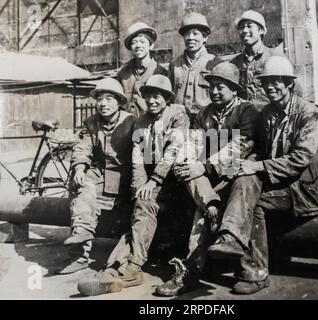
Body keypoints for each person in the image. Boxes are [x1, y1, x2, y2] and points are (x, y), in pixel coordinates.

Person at [77, 75, 191, 296]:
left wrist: (154, 180)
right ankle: (117, 269)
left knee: (146, 207)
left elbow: (173, 151)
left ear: (167, 98)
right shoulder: (141, 121)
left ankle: (127, 267)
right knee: (141, 205)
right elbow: (138, 157)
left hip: (176, 180)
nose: (152, 101)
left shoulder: (178, 114)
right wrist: (139, 187)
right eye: (148, 97)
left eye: (157, 97)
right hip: (152, 182)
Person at [155, 62, 262, 296]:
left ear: (234, 89)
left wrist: (200, 166)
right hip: (206, 179)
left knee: (200, 214)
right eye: (211, 86)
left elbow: (239, 148)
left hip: (236, 175)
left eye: (220, 87)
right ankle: (210, 204)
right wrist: (189, 163)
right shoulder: (205, 113)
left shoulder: (247, 111)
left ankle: (190, 273)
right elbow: (192, 143)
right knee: (185, 166)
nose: (214, 91)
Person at [229, 56, 318, 294]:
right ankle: (231, 236)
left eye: (277, 81)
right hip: (281, 183)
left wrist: (259, 166)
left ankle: (256, 273)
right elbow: (260, 149)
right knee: (243, 178)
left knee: (256, 204)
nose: (271, 87)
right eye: (267, 82)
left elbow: (300, 159)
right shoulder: (267, 113)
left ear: (289, 84)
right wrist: (244, 162)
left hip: (304, 190)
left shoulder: (308, 113)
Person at [60, 78, 136, 274]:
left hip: (127, 176)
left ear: (119, 102)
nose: (103, 103)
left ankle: (119, 264)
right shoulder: (91, 122)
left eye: (109, 99)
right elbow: (82, 147)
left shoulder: (131, 122)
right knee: (82, 187)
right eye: (100, 99)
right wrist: (79, 168)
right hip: (100, 174)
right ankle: (79, 251)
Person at [168, 12, 222, 124]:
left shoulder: (215, 63)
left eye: (195, 33)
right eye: (186, 34)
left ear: (205, 37)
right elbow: (169, 96)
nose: (190, 38)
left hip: (206, 122)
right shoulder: (174, 64)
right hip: (178, 122)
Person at [230, 10, 283, 111]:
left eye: (249, 26)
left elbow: (293, 90)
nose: (245, 30)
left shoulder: (276, 58)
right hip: (243, 119)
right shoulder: (234, 63)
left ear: (261, 30)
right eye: (241, 27)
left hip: (271, 118)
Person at [118, 22, 167, 118]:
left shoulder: (160, 72)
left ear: (151, 45)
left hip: (149, 124)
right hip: (125, 124)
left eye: (142, 41)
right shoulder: (123, 73)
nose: (138, 46)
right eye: (134, 42)